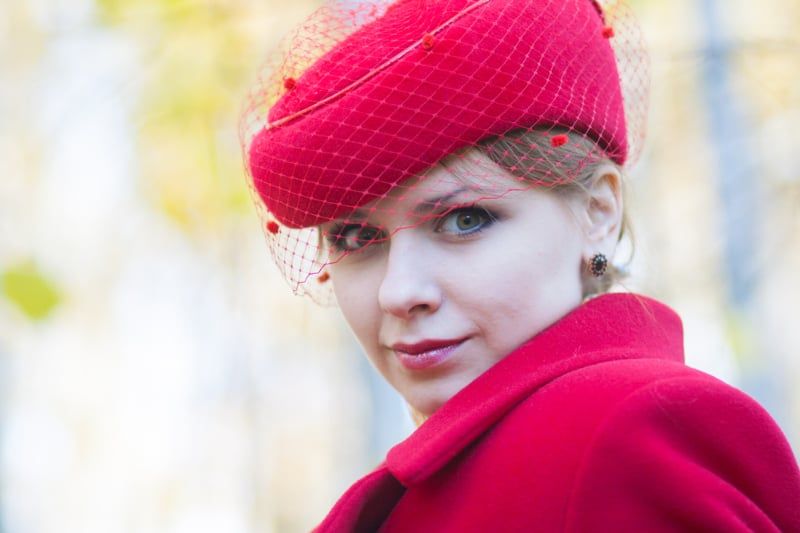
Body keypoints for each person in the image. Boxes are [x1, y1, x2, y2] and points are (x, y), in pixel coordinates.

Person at [241, 0, 800, 530]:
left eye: (464, 220)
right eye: (357, 237)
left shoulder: (633, 430)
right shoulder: (500, 455)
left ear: (598, 212)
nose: (398, 291)